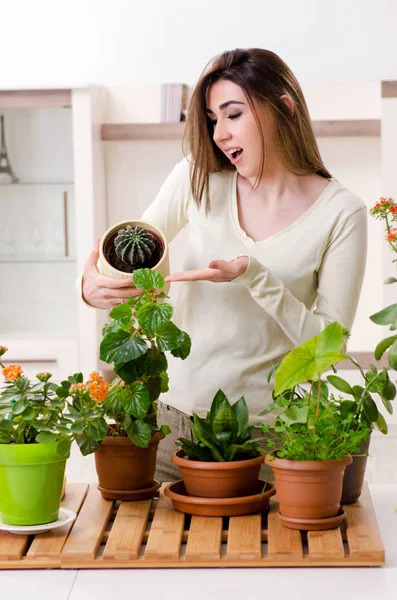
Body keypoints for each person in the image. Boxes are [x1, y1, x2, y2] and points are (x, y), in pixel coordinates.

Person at [81, 48, 367, 483]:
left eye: (233, 115)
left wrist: (255, 276)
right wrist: (92, 286)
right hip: (171, 430)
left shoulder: (341, 213)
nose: (218, 134)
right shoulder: (196, 177)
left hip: (273, 441)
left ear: (283, 108)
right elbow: (128, 256)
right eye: (213, 119)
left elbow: (328, 350)